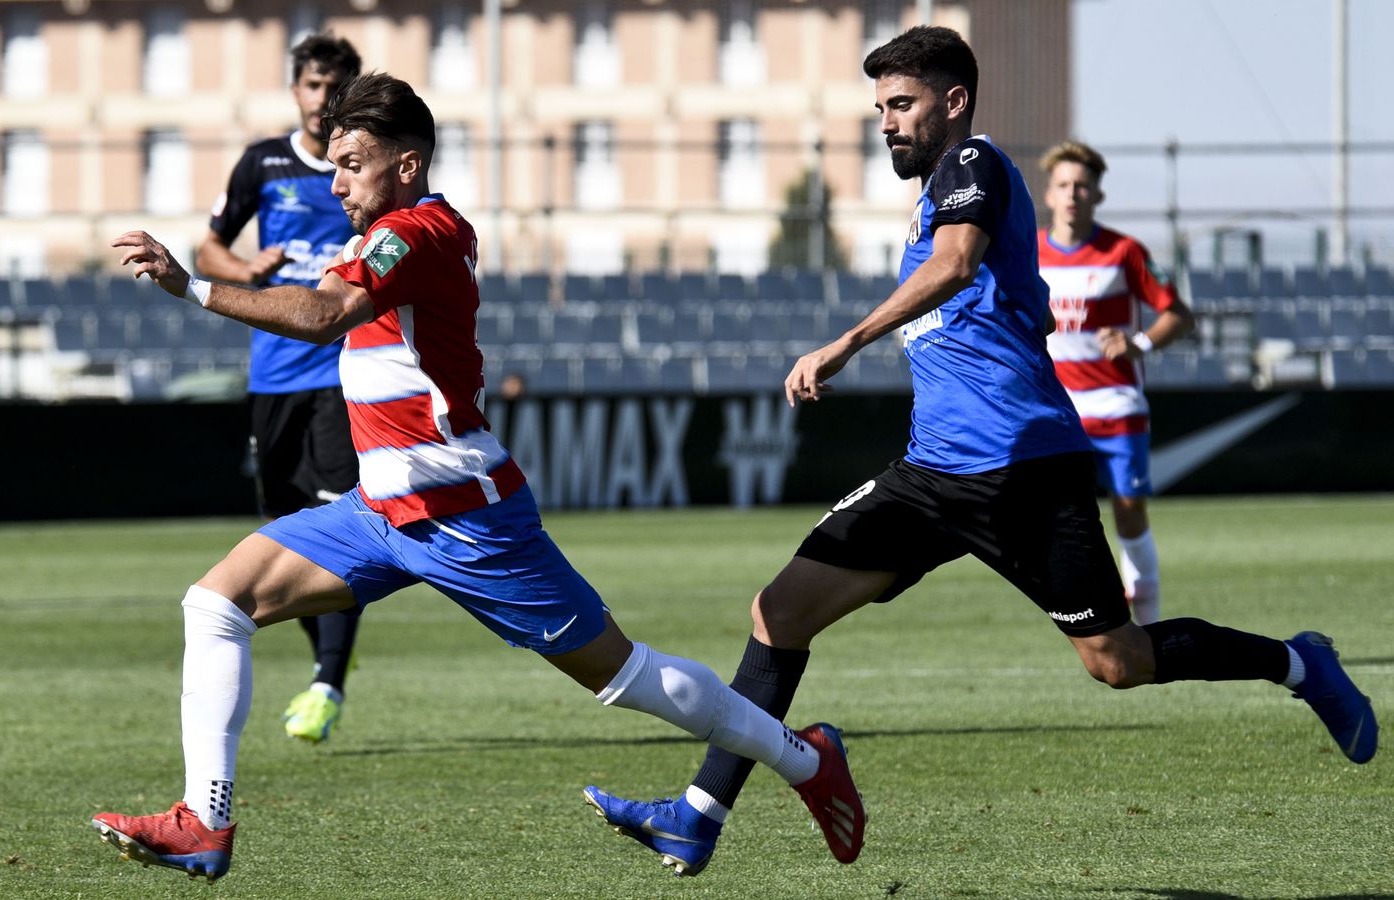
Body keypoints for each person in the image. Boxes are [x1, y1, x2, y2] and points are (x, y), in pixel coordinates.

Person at [584, 25, 1377, 878]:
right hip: (930, 474)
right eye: (879, 107)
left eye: (901, 103)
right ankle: (698, 816)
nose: (885, 121)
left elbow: (959, 266)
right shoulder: (932, 197)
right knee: (778, 611)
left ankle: (1300, 663)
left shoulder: (974, 167)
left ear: (952, 102)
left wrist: (844, 343)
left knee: (1118, 662)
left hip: (1020, 470)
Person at [89, 72, 864, 883]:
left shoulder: (415, 234)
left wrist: (193, 286)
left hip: (466, 520)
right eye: (334, 163)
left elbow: (322, 317)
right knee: (217, 602)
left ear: (408, 164)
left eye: (353, 162)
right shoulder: (393, 236)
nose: (338, 180)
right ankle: (203, 820)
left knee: (624, 675)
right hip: (382, 512)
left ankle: (807, 760)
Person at [197, 32, 366, 744]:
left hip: (342, 367)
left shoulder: (363, 167)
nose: (324, 100)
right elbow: (208, 246)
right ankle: (322, 671)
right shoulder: (261, 163)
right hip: (273, 371)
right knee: (287, 526)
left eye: (336, 87)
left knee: (342, 526)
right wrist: (243, 269)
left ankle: (328, 681)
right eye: (314, 86)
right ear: (296, 90)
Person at [1038, 140, 1195, 626]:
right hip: (1055, 410)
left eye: (1082, 186)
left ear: (1097, 195)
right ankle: (1092, 620)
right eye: (1064, 185)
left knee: (1128, 512)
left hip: (1115, 405)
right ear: (1048, 194)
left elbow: (1179, 314)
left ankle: (1149, 625)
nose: (1073, 194)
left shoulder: (1124, 251)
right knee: (1059, 522)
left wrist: (1139, 343)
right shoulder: (1029, 252)